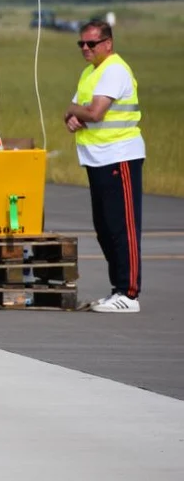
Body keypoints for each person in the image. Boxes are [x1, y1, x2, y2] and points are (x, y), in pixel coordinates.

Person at [63, 19, 144, 313]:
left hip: (119, 155)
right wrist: (73, 115)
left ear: (107, 44)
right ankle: (117, 289)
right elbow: (74, 113)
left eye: (91, 43)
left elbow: (94, 112)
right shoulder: (90, 73)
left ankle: (130, 293)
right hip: (96, 158)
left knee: (123, 227)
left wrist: (75, 112)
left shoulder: (114, 70)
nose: (85, 48)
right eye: (81, 44)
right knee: (105, 227)